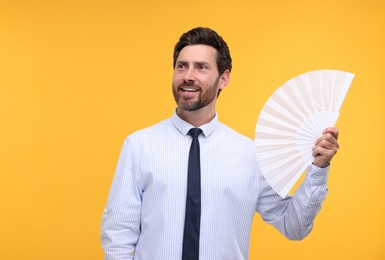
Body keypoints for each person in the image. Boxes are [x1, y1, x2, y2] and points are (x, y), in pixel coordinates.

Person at [101, 27, 339, 260]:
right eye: (181, 66)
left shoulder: (250, 155)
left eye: (201, 67)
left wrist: (317, 169)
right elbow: (118, 235)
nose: (188, 76)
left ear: (223, 78)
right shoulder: (139, 146)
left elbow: (293, 226)